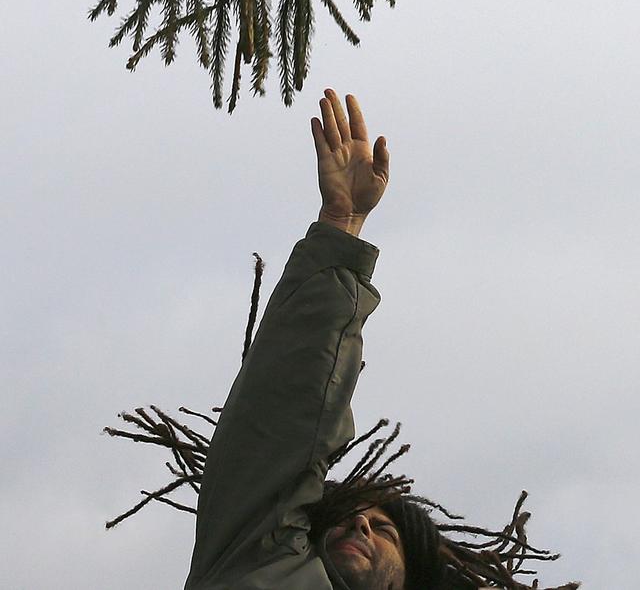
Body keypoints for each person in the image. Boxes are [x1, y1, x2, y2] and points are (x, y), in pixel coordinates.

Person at [183, 90, 578, 590]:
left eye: (386, 530)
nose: (361, 524)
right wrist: (340, 227)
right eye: (347, 518)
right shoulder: (260, 560)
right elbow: (281, 415)